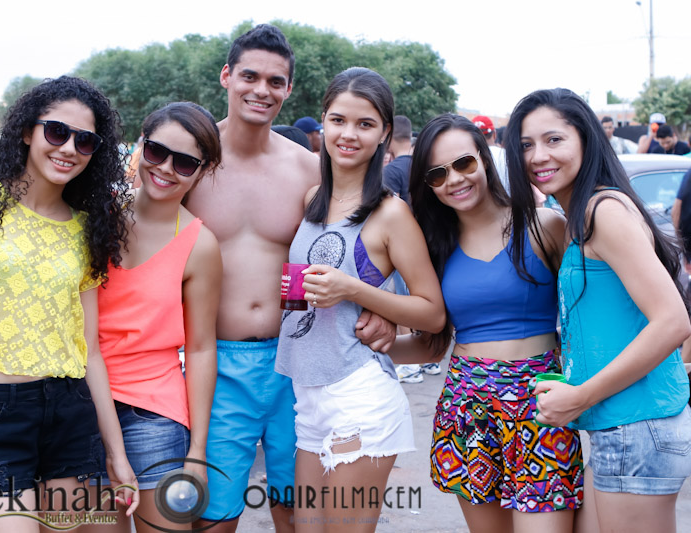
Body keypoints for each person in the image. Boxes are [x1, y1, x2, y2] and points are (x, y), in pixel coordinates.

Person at [185, 24, 396, 533]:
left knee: (299, 514)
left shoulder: (310, 170)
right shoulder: (189, 162)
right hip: (217, 362)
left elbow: (365, 241)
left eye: (275, 81)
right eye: (250, 76)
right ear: (226, 76)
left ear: (288, 89)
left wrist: (382, 306)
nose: (261, 90)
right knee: (213, 516)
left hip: (297, 361)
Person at [0, 76, 139, 532]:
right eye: (57, 131)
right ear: (26, 132)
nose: (69, 147)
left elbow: (89, 350)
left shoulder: (86, 228)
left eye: (85, 140)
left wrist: (117, 453)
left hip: (69, 413)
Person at [506, 87, 691, 533]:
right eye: (526, 145)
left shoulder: (602, 211)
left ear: (586, 139)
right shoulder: (581, 213)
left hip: (637, 424)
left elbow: (672, 320)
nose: (538, 156)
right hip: (621, 427)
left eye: (554, 139)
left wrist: (581, 396)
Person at [276, 67, 445, 532]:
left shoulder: (390, 213)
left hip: (358, 396)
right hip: (307, 395)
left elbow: (432, 313)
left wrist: (354, 290)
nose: (348, 134)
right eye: (338, 120)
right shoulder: (313, 199)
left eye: (365, 124)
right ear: (324, 122)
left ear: (384, 133)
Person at [400, 113, 583, 533]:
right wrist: (370, 344)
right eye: (437, 173)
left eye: (464, 163)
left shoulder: (544, 226)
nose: (454, 180)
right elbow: (431, 345)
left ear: (484, 158)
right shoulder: (434, 247)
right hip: (468, 410)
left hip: (539, 408)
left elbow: (585, 315)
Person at [88, 102, 222, 533]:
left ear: (203, 170)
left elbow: (200, 348)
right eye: (157, 151)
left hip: (154, 415)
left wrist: (197, 451)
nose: (165, 168)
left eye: (184, 162)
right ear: (140, 145)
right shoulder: (96, 215)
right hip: (81, 404)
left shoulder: (200, 245)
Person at [382, 115, 413, 204]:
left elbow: (392, 207)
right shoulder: (426, 162)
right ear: (410, 135)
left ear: (388, 136)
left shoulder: (391, 171)